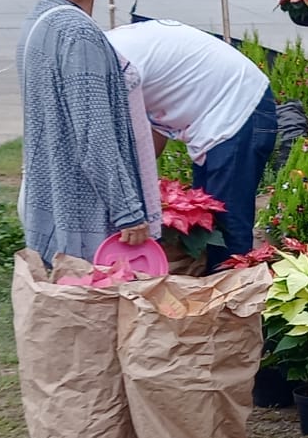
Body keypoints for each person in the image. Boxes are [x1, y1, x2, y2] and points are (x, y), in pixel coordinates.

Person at [17, 0, 159, 266]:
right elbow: (94, 133)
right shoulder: (78, 34)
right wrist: (128, 211)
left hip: (49, 201)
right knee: (96, 298)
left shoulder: (38, 22)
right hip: (82, 218)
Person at [105, 18, 277, 270]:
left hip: (237, 109)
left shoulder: (112, 64)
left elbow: (113, 148)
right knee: (211, 221)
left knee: (227, 226)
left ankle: (233, 293)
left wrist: (126, 205)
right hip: (222, 115)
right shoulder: (112, 49)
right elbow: (147, 143)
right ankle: (219, 287)